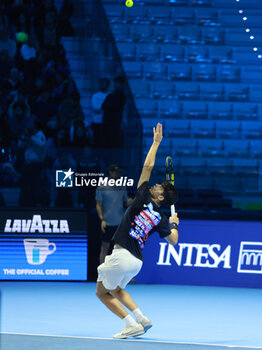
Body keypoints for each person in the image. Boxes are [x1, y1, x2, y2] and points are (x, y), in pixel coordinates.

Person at [96, 123, 179, 339]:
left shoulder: (142, 197)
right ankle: (142, 318)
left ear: (160, 197)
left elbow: (147, 167)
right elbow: (174, 240)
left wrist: (156, 143)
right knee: (116, 290)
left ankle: (130, 324)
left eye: (159, 187)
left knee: (101, 293)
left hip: (122, 256)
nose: (155, 186)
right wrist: (174, 223)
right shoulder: (161, 218)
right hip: (136, 263)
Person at [96, 164, 132, 264]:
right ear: (110, 172)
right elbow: (98, 205)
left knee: (122, 249)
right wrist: (102, 219)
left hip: (120, 223)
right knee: (105, 247)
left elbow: (125, 203)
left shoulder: (122, 186)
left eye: (119, 172)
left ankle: (123, 273)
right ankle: (101, 274)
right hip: (107, 222)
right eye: (116, 172)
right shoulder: (101, 187)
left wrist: (129, 203)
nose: (118, 174)